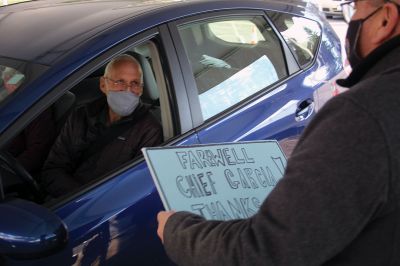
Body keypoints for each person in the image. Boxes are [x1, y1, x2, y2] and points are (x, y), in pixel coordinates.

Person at [157, 0, 400, 265]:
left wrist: (177, 232)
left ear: (386, 20)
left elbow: (264, 253)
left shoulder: (362, 115)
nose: (351, 21)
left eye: (355, 10)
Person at [41, 54, 163, 198]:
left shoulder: (149, 130)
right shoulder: (81, 116)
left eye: (135, 83)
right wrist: (80, 199)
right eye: (120, 82)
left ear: (141, 89)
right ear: (103, 85)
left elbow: (135, 190)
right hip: (66, 200)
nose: (128, 90)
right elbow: (53, 169)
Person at [1, 67, 56, 176]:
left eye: (12, 80)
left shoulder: (36, 110)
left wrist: (7, 174)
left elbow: (36, 152)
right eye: (6, 80)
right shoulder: (7, 99)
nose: (8, 84)